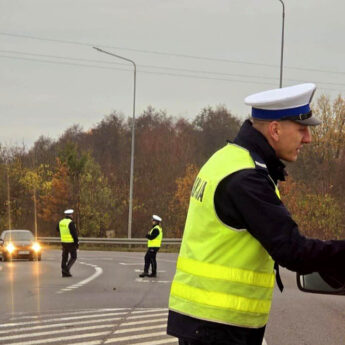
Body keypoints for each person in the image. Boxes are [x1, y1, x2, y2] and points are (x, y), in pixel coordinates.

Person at [167, 83, 345, 345]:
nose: (307, 138)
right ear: (274, 129)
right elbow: (292, 250)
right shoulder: (246, 178)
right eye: (301, 129)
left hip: (209, 322)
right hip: (219, 327)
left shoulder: (227, 159)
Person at [57, 209, 79, 277]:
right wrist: (76, 243)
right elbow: (74, 234)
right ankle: (66, 270)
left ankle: (64, 271)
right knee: (73, 257)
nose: (72, 216)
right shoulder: (71, 222)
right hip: (71, 242)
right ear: (70, 215)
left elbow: (57, 229)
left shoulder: (61, 222)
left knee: (64, 257)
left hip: (63, 242)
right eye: (72, 215)